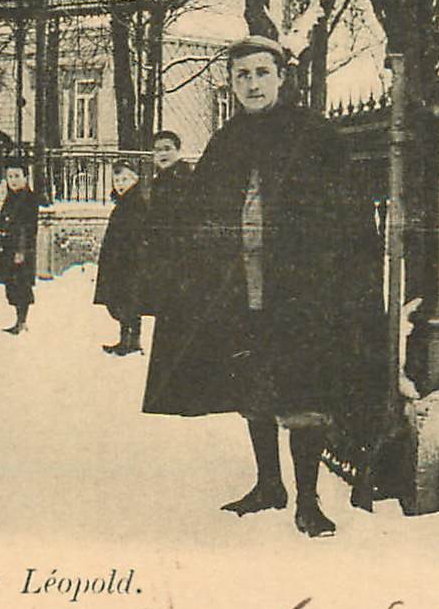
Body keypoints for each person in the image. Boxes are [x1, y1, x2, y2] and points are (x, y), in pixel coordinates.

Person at [142, 36, 385, 538]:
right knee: (252, 386)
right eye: (242, 76)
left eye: (261, 73)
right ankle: (268, 485)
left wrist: (333, 277)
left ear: (281, 77)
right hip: (241, 290)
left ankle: (309, 501)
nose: (252, 83)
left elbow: (349, 214)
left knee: (303, 391)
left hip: (302, 293)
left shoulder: (314, 136)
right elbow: (199, 217)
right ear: (232, 85)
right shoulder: (226, 142)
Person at [94, 160, 150, 355]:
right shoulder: (123, 202)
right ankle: (125, 339)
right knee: (121, 300)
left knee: (129, 300)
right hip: (120, 261)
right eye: (117, 180)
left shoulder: (135, 203)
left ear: (135, 179)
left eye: (125, 179)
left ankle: (132, 341)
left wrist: (127, 256)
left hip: (129, 261)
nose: (120, 183)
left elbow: (135, 234)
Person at [141, 130, 193, 320]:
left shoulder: (186, 179)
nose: (162, 154)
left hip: (180, 254)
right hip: (163, 254)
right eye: (157, 150)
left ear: (178, 151)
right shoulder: (160, 181)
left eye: (167, 149)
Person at [0, 161, 39, 334]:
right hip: (8, 248)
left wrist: (21, 251)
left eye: (17, 176)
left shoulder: (28, 199)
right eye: (10, 176)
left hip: (20, 249)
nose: (13, 180)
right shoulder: (11, 196)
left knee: (21, 284)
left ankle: (22, 321)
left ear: (26, 177)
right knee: (11, 284)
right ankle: (19, 320)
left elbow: (28, 227)